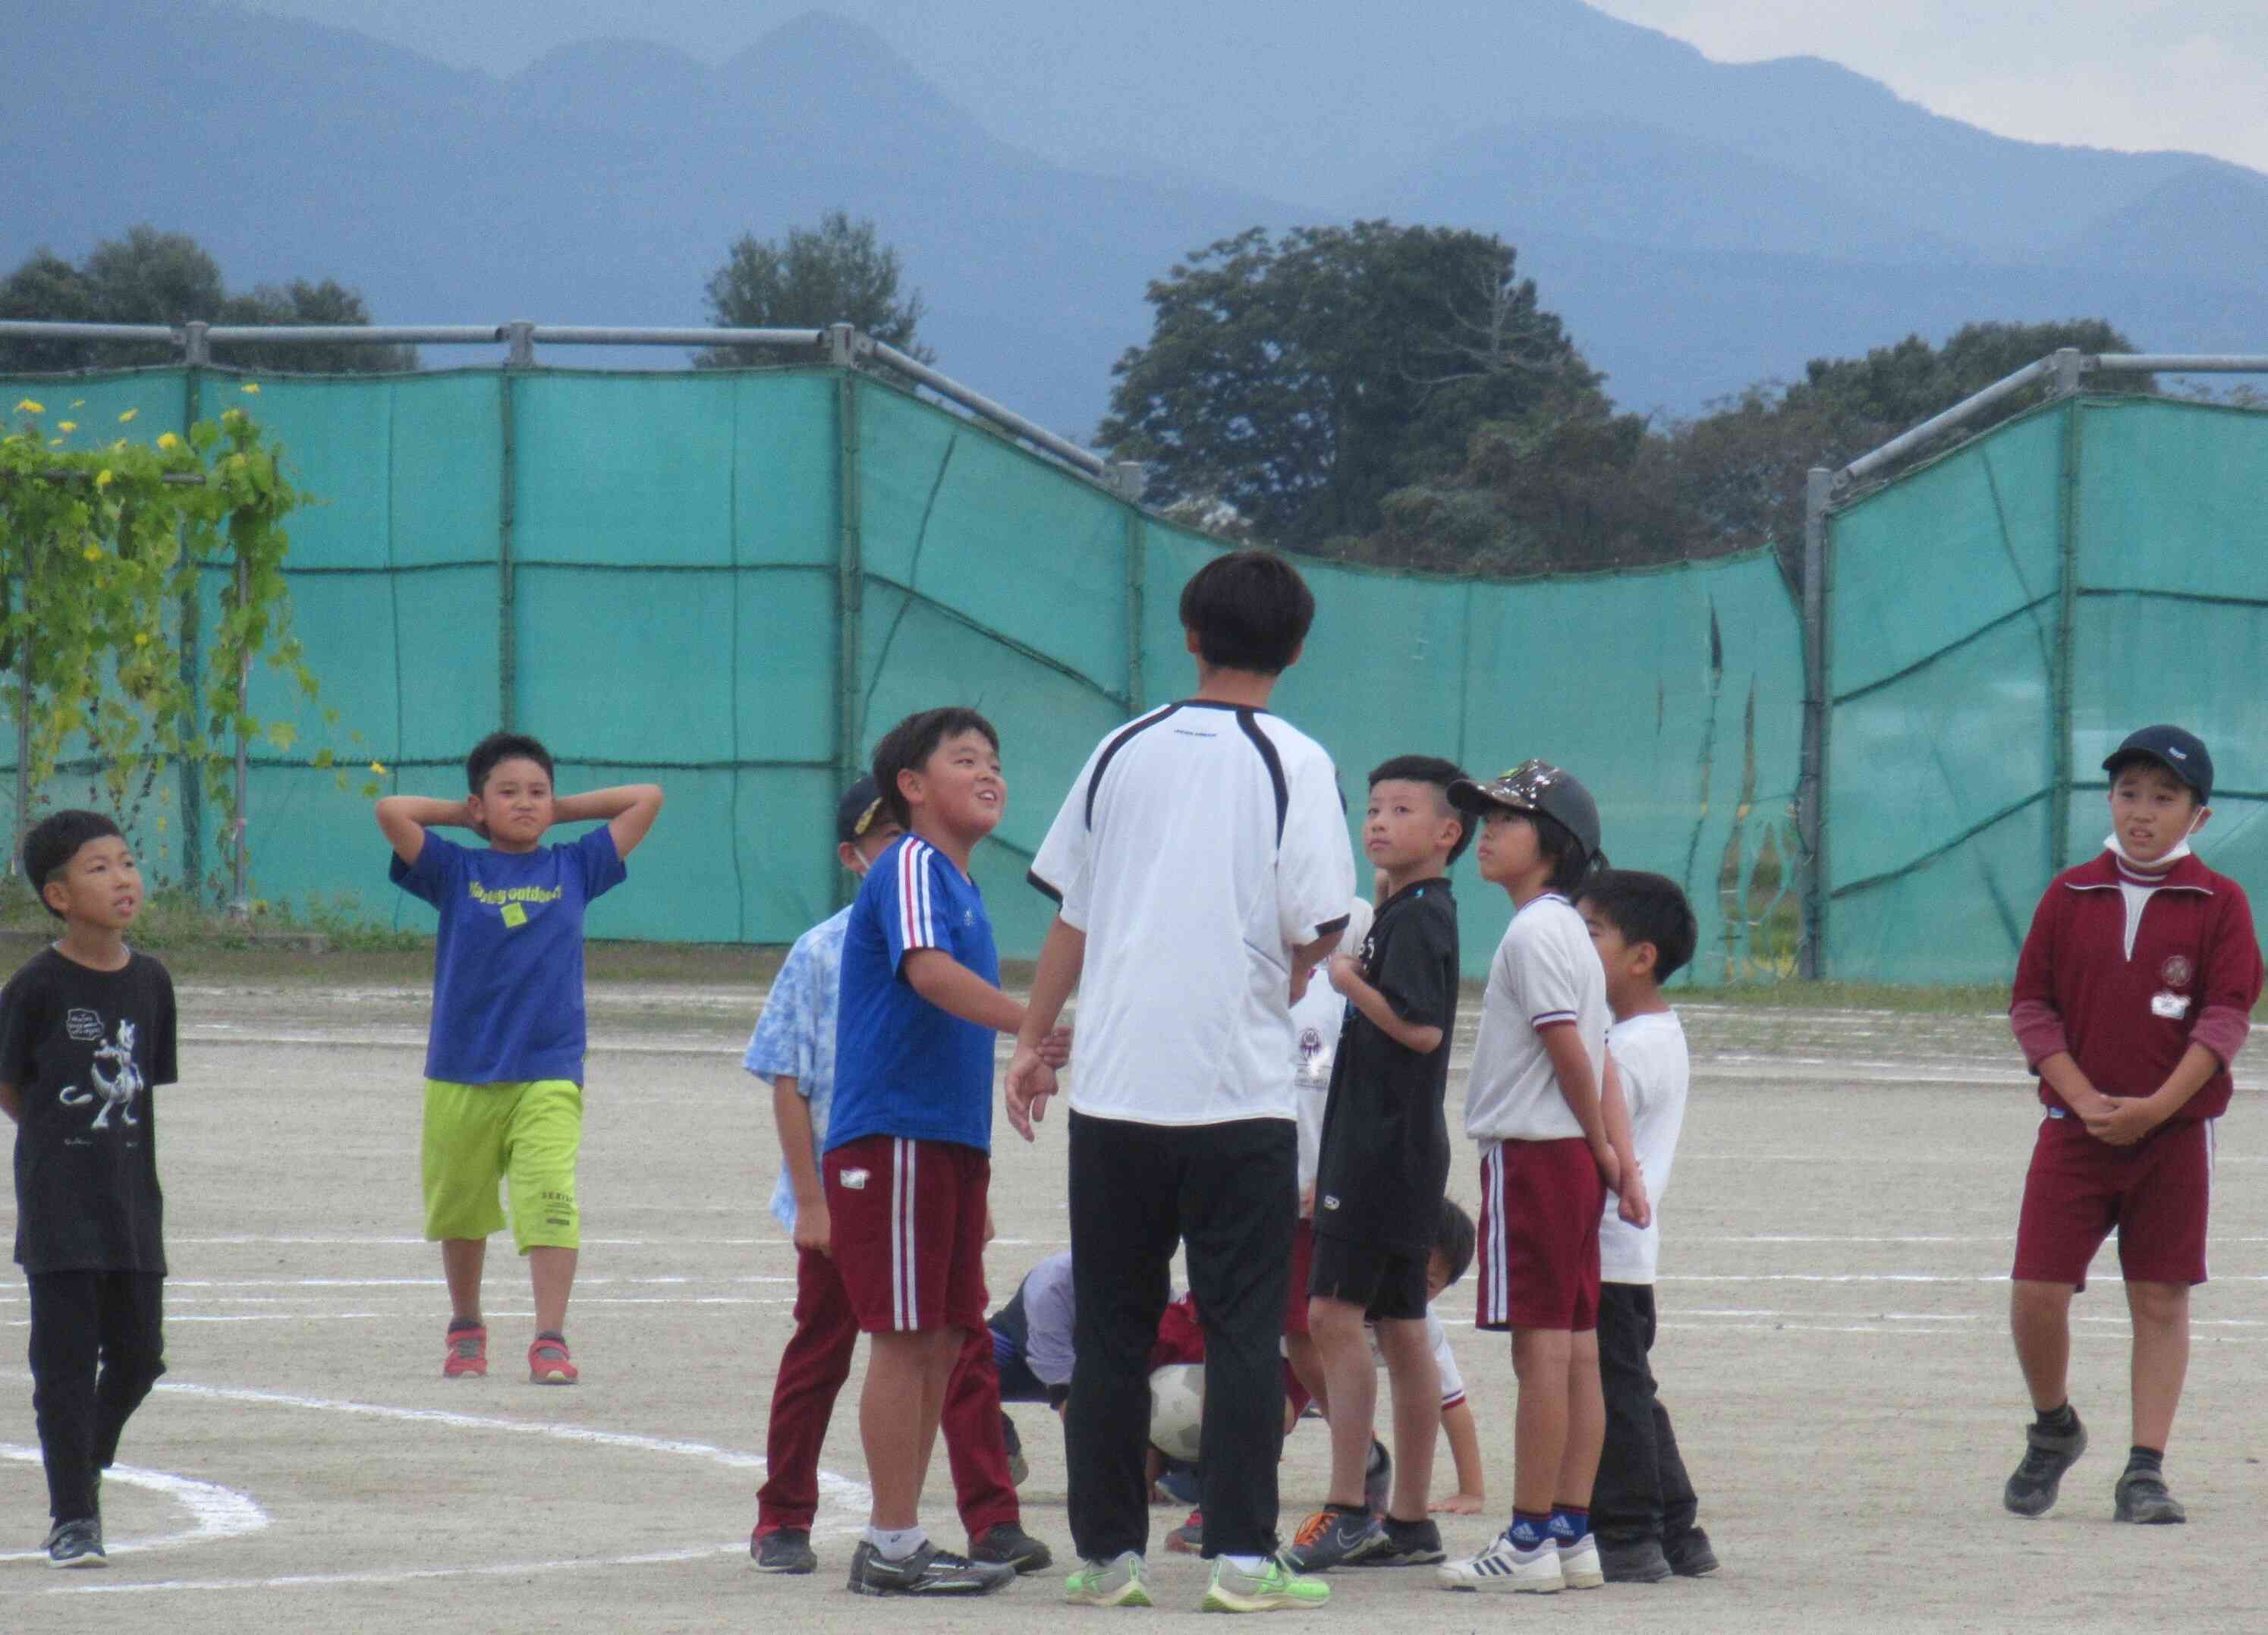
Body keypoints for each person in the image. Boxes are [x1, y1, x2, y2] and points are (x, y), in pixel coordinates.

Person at [1010, 549, 1356, 1615]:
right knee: (1243, 1328)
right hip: (1237, 1096)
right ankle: (1242, 1559)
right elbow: (1318, 930)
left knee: (1111, 1331)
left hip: (1116, 1092)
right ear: (1296, 648)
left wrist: (1032, 1038)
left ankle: (1108, 1557)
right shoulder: (1294, 758)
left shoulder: (1122, 748)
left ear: (1190, 635)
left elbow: (1073, 906)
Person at [746, 776, 1054, 1577]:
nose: (893, 851)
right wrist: (809, 1197)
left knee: (953, 1341)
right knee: (849, 1343)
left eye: (994, 759)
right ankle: (797, 1518)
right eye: (876, 838)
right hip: (865, 1168)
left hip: (930, 1158)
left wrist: (971, 1186)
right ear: (856, 857)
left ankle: (981, 1522)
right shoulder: (836, 938)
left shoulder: (958, 900)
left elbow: (950, 1047)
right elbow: (787, 1074)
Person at [2003, 725, 2262, 1524]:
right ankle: (2054, 1426)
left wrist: (2156, 1106)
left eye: (2163, 797)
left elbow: (2225, 1014)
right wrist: (2081, 1098)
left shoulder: (2220, 903)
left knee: (2159, 1299)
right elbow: (2031, 1006)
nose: (2141, 811)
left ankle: (2144, 1469)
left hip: (2173, 1136)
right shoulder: (2069, 893)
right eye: (2127, 793)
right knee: (2035, 1293)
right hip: (2072, 1129)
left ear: (2199, 815)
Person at [822, 707, 1051, 1597]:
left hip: (943, 1141)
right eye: (964, 760)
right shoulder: (914, 862)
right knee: (906, 1335)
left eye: (994, 759)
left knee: (942, 1336)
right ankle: (890, 1540)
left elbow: (953, 1005)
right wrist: (1037, 1026)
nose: (988, 772)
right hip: (898, 1136)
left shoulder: (959, 883)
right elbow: (928, 974)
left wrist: (1021, 1056)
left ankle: (904, 1537)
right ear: (911, 788)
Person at [377, 732, 664, 1385]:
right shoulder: (456, 870)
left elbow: (647, 798)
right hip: (461, 1069)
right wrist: (468, 814)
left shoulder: (574, 866)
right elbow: (392, 811)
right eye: (508, 793)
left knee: (550, 1196)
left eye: (537, 792)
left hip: (549, 1069)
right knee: (463, 1207)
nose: (526, 803)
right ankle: (467, 1325)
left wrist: (560, 810)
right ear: (480, 804)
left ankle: (550, 1337)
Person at [1436, 760, 1647, 1596]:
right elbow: (1593, 1052)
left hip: (1534, 1155)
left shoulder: (1534, 932)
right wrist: (1612, 1158)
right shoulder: (1566, 929)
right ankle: (1570, 1531)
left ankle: (1527, 1538)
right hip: (1564, 1155)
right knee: (1577, 1348)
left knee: (1542, 1351)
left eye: (1507, 819)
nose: (1487, 831)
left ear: (1555, 842)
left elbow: (1570, 1049)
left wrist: (1601, 1148)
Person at [1282, 755, 1471, 1572]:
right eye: (1373, 808)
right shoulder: (1405, 908)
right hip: (1394, 1149)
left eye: (1400, 809)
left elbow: (1422, 1028)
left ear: (1446, 832)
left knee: (1331, 1316)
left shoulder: (1419, 917)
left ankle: (1347, 1504)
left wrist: (1348, 980)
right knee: (1401, 1328)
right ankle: (1411, 1519)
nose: (1379, 823)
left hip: (1380, 1151)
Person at [1, 812, 178, 1569]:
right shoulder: (36, 985)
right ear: (59, 895)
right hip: (60, 1201)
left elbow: (145, 1087)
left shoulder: (150, 980)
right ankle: (73, 1515)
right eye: (97, 868)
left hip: (131, 1199)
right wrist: (49, 1136)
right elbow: (10, 1081)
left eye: (126, 862)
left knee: (139, 1356)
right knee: (66, 1365)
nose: (121, 878)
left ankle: (87, 1457)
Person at [1576, 869, 1718, 1583]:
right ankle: (1678, 1528)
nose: (1573, 943)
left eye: (1590, 932)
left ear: (1642, 957)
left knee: (1612, 1391)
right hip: (1625, 1251)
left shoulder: (1629, 1049)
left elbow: (1601, 1152)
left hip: (1605, 1243)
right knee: (1630, 1386)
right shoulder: (1644, 1032)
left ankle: (1628, 1531)